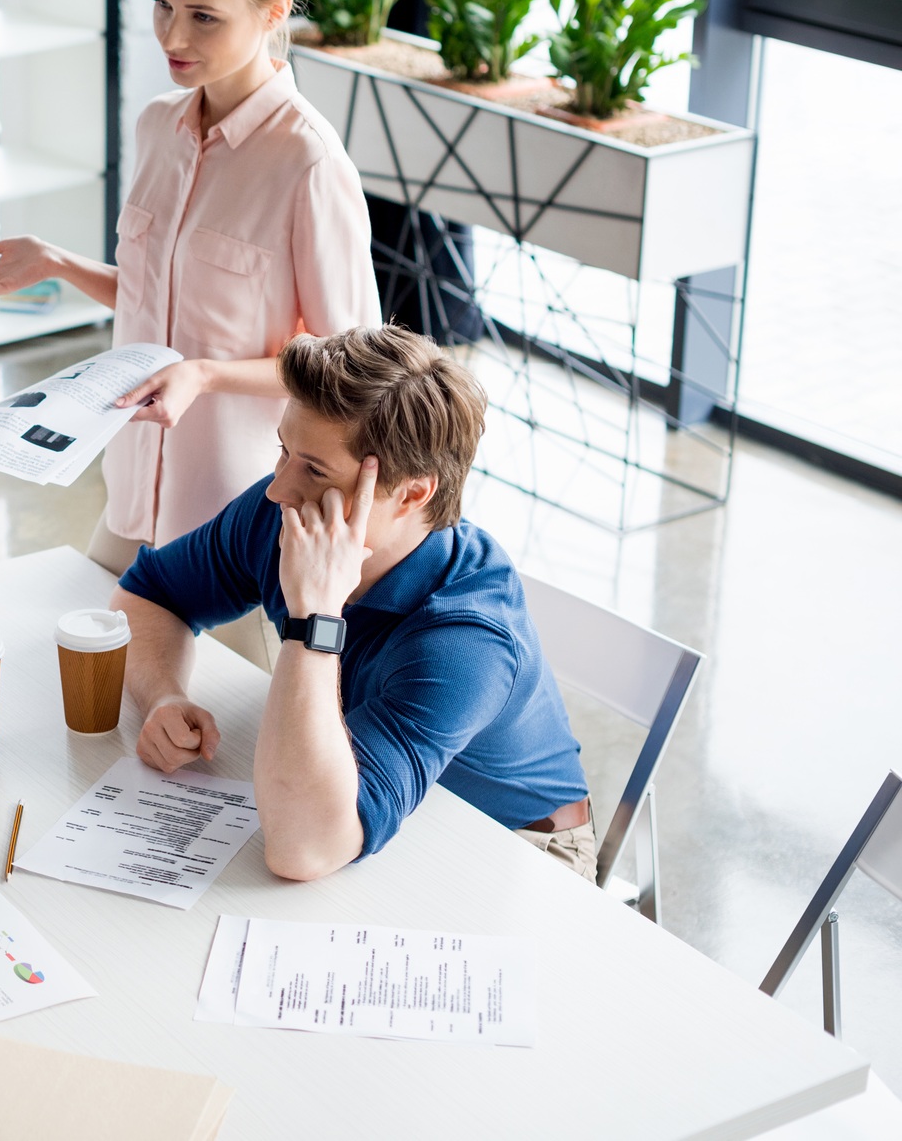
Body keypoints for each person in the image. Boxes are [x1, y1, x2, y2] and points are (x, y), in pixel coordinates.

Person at [0, 0, 380, 658]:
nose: (172, 36)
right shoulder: (157, 129)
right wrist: (61, 264)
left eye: (204, 17)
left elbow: (354, 373)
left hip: (241, 524)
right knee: (78, 689)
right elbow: (164, 307)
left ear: (274, 10)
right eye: (162, 5)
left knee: (221, 753)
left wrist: (207, 375)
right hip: (130, 497)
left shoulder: (309, 163)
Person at [111, 327, 594, 882]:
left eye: (314, 469)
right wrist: (162, 694)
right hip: (381, 809)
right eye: (284, 451)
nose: (277, 490)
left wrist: (314, 616)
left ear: (413, 493)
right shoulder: (289, 514)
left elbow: (302, 850)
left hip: (515, 851)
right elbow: (147, 594)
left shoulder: (468, 640)